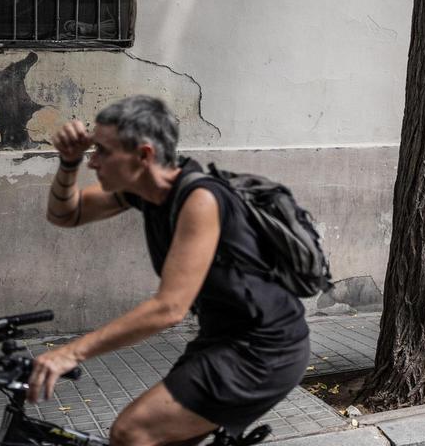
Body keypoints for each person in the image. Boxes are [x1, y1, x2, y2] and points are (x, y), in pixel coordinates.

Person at [29, 95, 310, 446]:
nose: (94, 162)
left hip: (264, 349)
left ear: (143, 156)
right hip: (222, 341)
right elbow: (65, 215)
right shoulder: (143, 193)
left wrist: (69, 352)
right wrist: (68, 163)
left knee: (133, 431)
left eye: (102, 151)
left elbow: (169, 309)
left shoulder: (200, 199)